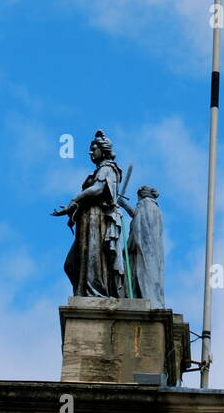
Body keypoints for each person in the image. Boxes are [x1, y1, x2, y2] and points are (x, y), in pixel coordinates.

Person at [52, 131, 126, 298]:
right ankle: (84, 293)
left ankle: (95, 293)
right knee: (71, 265)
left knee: (91, 259)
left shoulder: (109, 168)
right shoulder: (101, 169)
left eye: (94, 148)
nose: (90, 152)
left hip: (97, 219)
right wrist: (73, 209)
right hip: (87, 219)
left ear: (103, 149)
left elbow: (99, 189)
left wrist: (73, 201)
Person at [124, 186, 165, 308]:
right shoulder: (153, 207)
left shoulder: (145, 205)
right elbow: (138, 217)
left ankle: (145, 298)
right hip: (149, 251)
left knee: (144, 274)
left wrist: (129, 245)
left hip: (143, 250)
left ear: (141, 196)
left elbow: (139, 227)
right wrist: (125, 206)